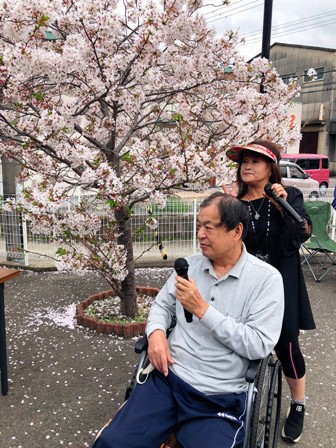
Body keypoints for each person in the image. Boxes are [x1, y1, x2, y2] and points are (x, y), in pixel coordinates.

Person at [92, 193, 284, 448]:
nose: (200, 234)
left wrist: (203, 310)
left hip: (219, 395)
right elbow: (162, 305)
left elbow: (259, 345)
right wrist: (157, 333)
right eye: (198, 226)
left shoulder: (266, 280)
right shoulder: (190, 267)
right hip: (168, 379)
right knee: (113, 443)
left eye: (209, 227)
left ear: (236, 231)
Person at [225, 140, 316, 444]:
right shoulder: (235, 204)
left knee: (286, 344)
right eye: (244, 162)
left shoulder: (288, 196)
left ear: (271, 168)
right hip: (244, 283)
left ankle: (298, 404)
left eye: (256, 161)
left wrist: (282, 204)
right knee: (234, 338)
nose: (247, 166)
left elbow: (303, 231)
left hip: (281, 282)